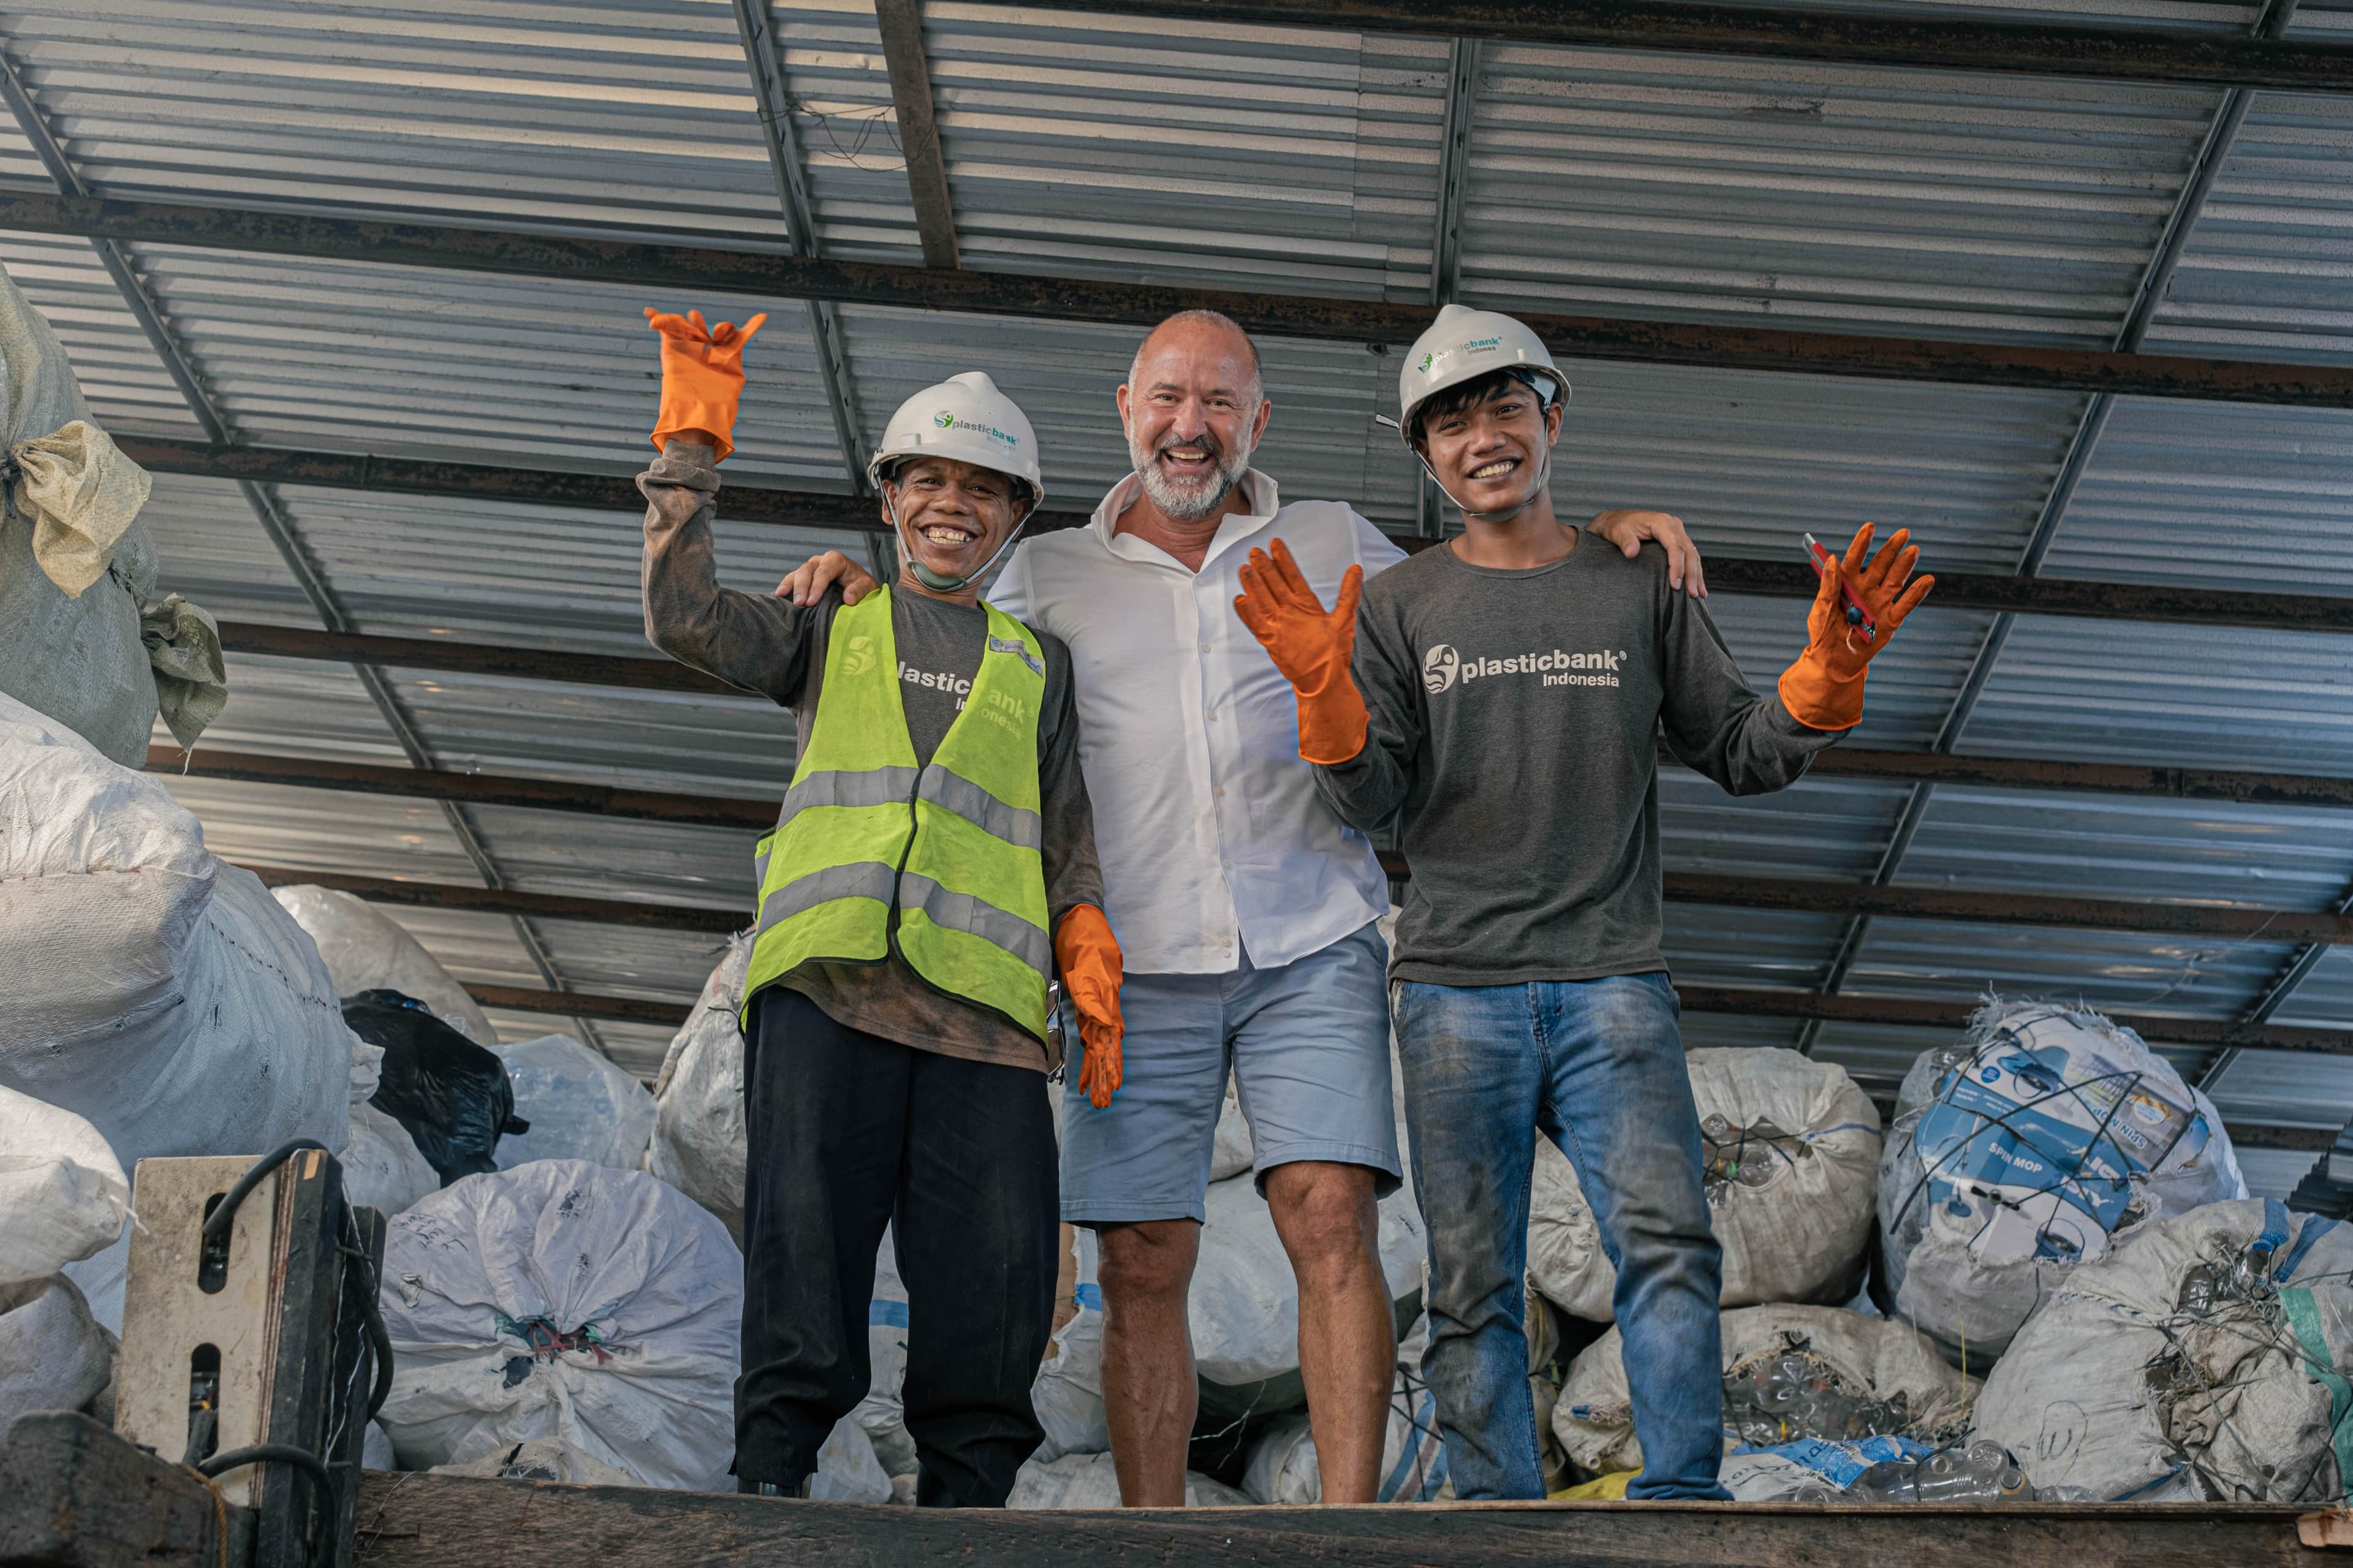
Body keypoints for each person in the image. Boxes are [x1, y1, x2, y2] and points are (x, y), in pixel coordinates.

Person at [768, 309, 1709, 1505]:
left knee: (1330, 1215)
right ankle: (1161, 1531)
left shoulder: (1334, 537)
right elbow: (938, 619)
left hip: (1310, 938)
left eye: (1220, 401)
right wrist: (857, 579)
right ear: (1126, 409)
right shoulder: (1045, 570)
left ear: (1257, 420)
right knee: (1147, 1255)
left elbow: (1478, 582)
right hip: (1138, 963)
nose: (1191, 424)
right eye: (1169, 397)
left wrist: (1604, 537)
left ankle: (1347, 1525)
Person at [1232, 303, 1935, 1501]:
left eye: (1504, 406)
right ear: (1425, 456)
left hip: (1616, 981)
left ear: (1554, 417)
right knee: (1472, 1278)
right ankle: (1500, 1516)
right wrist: (1325, 702)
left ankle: (1678, 1501)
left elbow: (1744, 747)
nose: (1481, 437)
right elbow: (1376, 806)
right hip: (1455, 986)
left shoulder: (1636, 580)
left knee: (1666, 1249)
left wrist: (1830, 674)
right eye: (1450, 422)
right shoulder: (1402, 607)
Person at [635, 305, 1126, 1507]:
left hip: (987, 1027)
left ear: (1015, 516)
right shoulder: (830, 618)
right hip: (827, 994)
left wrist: (1087, 942)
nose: (952, 503)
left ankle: (967, 1519)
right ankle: (768, 1493)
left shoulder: (1035, 664)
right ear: (892, 495)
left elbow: (1064, 830)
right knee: (802, 1261)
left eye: (984, 488)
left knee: (992, 1284)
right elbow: (684, 621)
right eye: (929, 480)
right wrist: (688, 455)